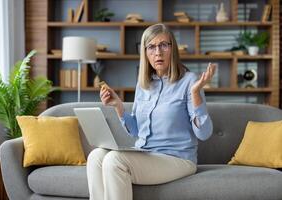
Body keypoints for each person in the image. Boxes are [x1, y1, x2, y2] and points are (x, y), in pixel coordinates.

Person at [87, 23, 216, 200]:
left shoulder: (189, 81)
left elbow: (204, 133)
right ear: (145, 53)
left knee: (114, 160)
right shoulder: (144, 84)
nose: (158, 52)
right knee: (96, 157)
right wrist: (119, 106)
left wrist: (195, 94)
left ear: (173, 49)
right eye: (151, 47)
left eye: (164, 45)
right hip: (145, 153)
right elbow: (137, 131)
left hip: (177, 159)